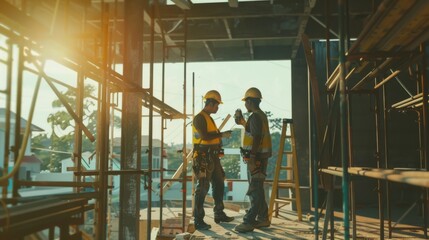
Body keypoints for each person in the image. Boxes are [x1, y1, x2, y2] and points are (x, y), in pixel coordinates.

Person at [192, 90, 234, 230]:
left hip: (213, 156)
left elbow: (212, 136)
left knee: (219, 183)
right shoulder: (199, 118)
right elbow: (204, 135)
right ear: (211, 103)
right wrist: (222, 134)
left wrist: (219, 138)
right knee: (203, 187)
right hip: (203, 157)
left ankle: (219, 213)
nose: (218, 108)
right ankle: (198, 220)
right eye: (217, 105)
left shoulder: (209, 118)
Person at [234, 87, 272, 233]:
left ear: (250, 101)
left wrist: (252, 157)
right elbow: (252, 129)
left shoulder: (255, 116)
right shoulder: (260, 115)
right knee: (258, 188)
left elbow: (256, 137)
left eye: (246, 102)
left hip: (256, 158)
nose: (245, 105)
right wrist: (243, 122)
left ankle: (249, 221)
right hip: (261, 157)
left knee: (254, 189)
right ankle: (263, 218)